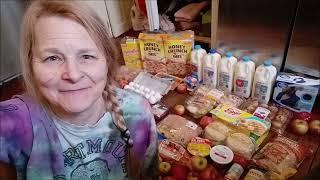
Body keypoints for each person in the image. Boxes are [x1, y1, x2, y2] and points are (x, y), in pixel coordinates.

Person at [0, 1, 158, 180]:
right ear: (30, 65)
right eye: (52, 58)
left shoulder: (138, 113)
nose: (73, 75)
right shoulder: (10, 125)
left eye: (87, 56)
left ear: (107, 61)